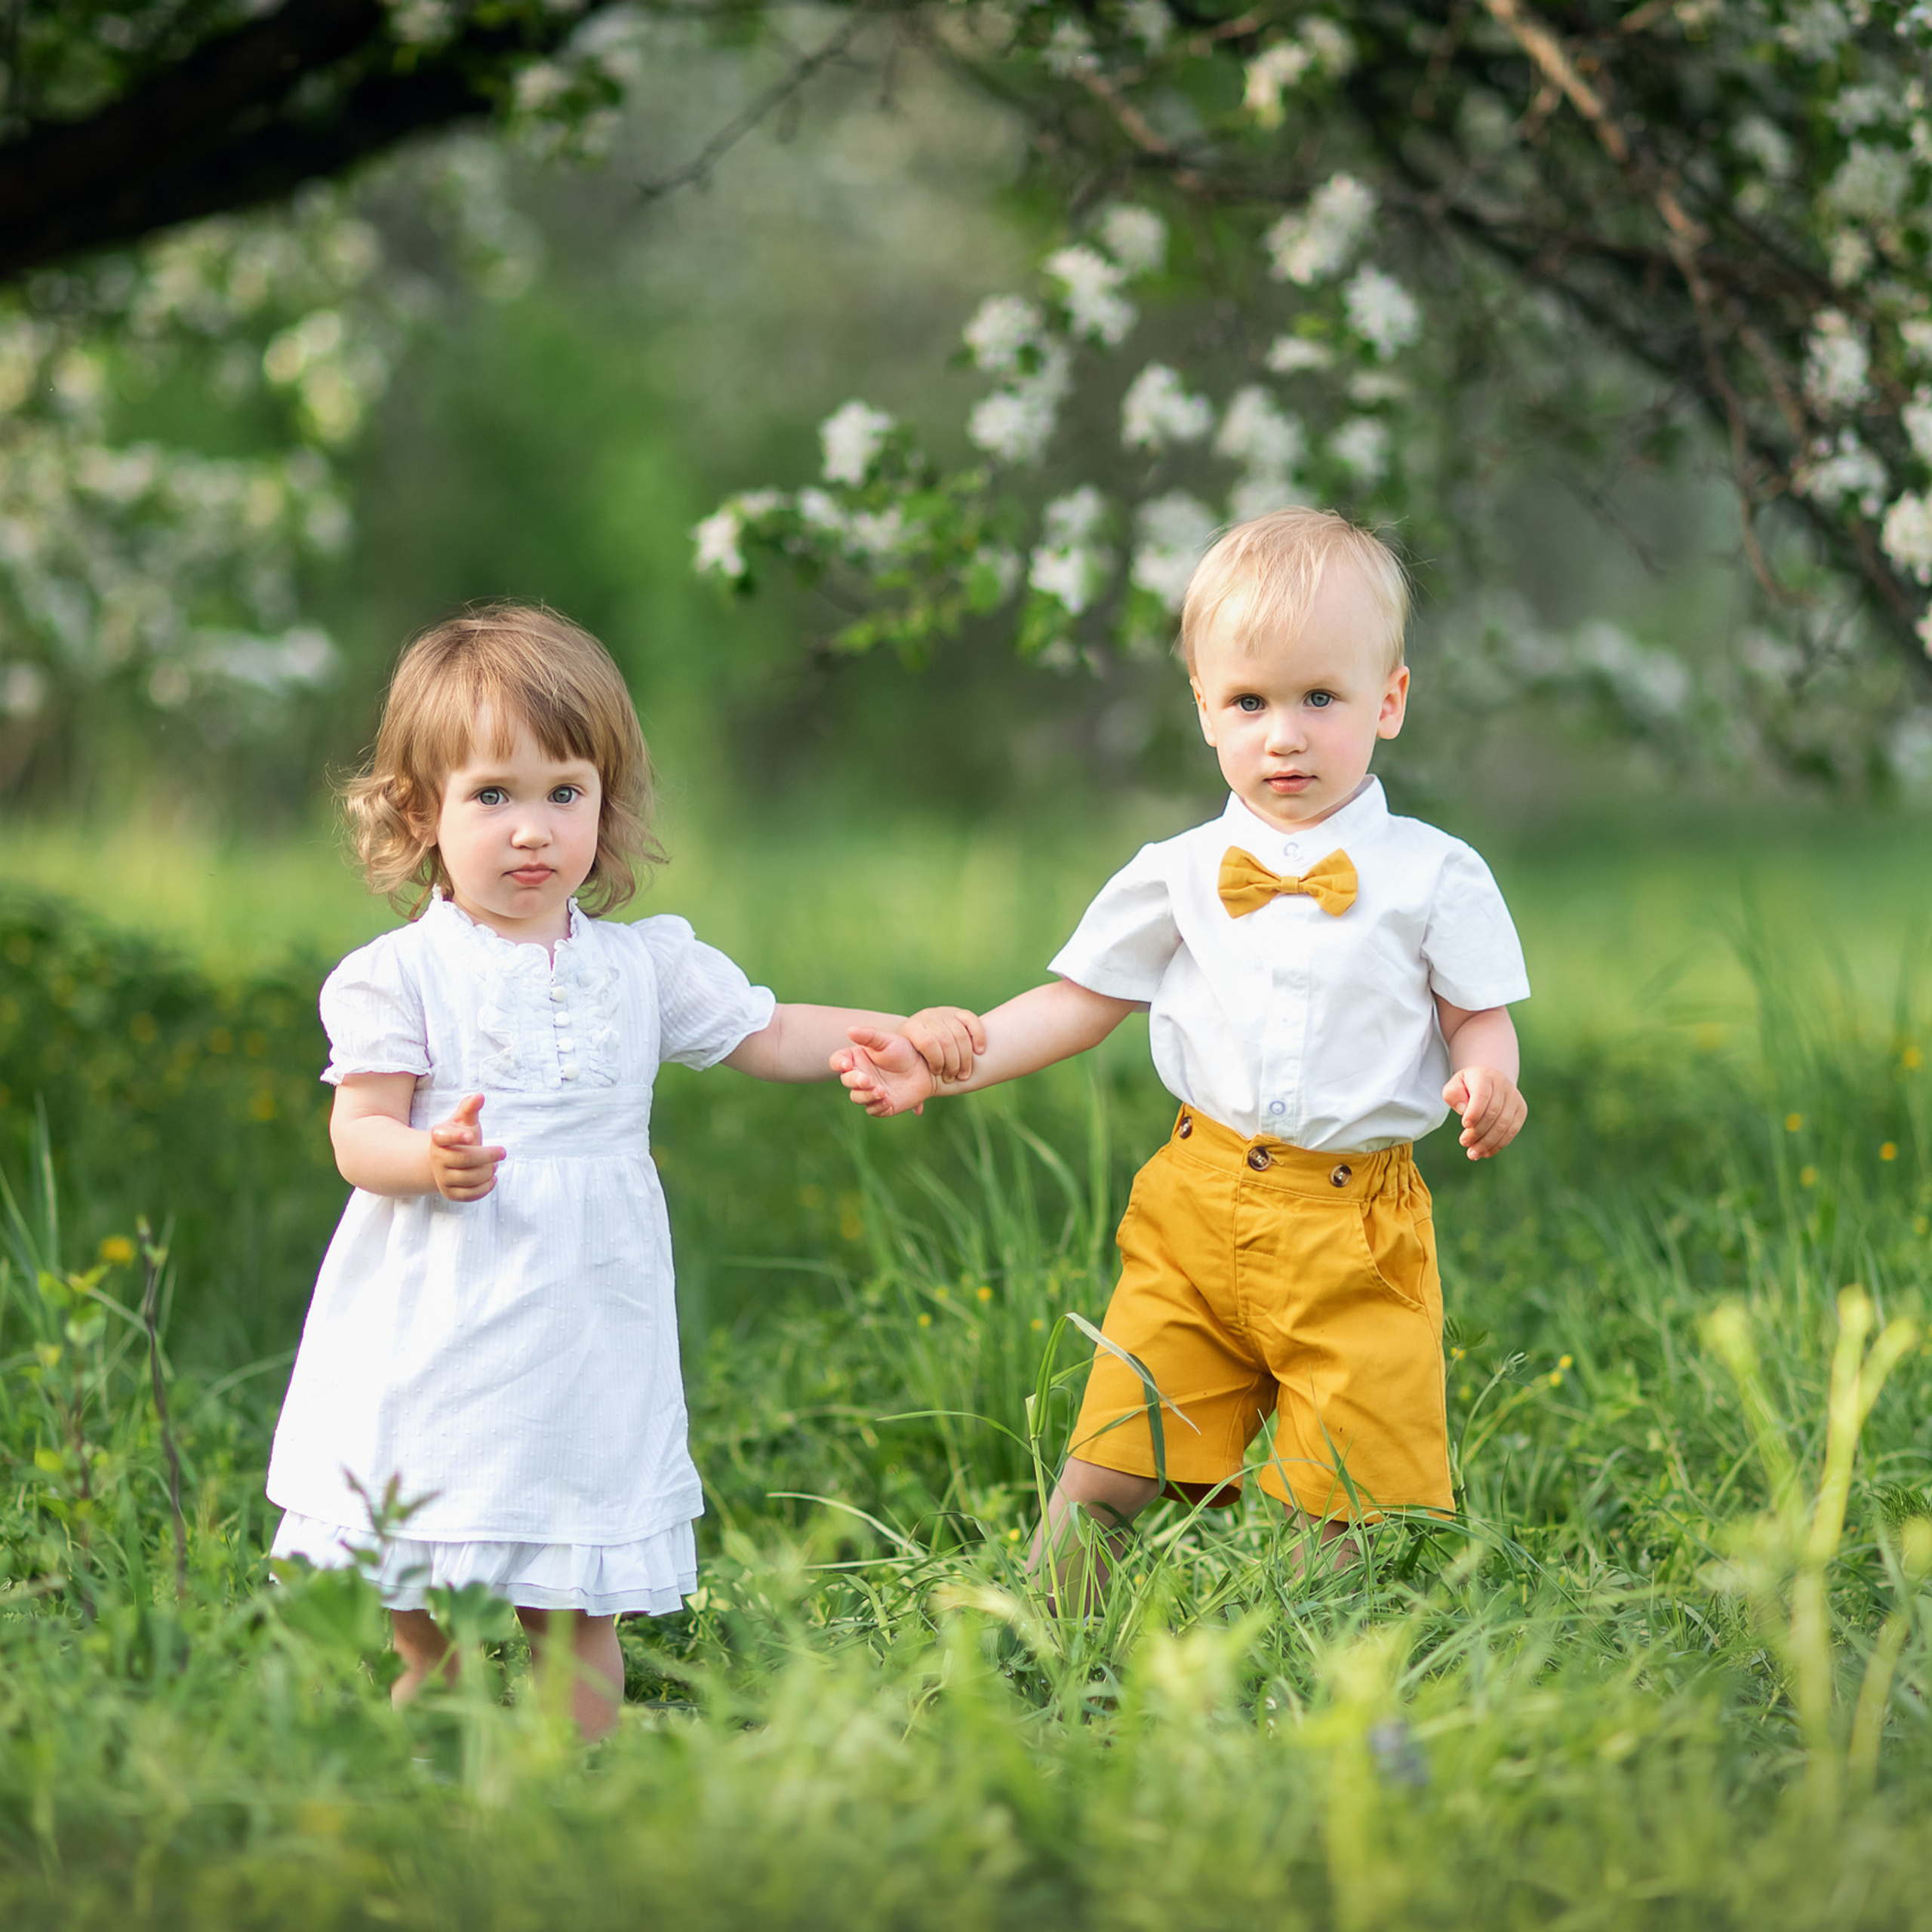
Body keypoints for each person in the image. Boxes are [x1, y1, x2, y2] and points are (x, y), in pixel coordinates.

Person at [266, 605, 976, 1738]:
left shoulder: (640, 968)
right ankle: (431, 1708)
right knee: (424, 1552)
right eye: (492, 796)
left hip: (587, 1323)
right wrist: (425, 1159)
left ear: (607, 800)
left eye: (566, 792)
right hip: (439, 1311)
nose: (533, 829)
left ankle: (574, 1775)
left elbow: (770, 1029)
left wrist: (893, 1030)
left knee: (576, 1568)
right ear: (422, 811)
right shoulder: (400, 977)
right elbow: (358, 1134)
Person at [835, 507, 1531, 1593]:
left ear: (1388, 701)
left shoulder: (1435, 875)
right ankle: (1048, 1641)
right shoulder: (1181, 870)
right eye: (1249, 702)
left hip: (1356, 1228)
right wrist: (950, 1057)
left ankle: (1305, 1677)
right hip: (1197, 1212)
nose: (1284, 736)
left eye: (1319, 698)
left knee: (1336, 1493)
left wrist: (1492, 1077)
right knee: (1114, 1453)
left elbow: (1476, 1015)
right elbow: (1078, 1002)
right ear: (1205, 710)